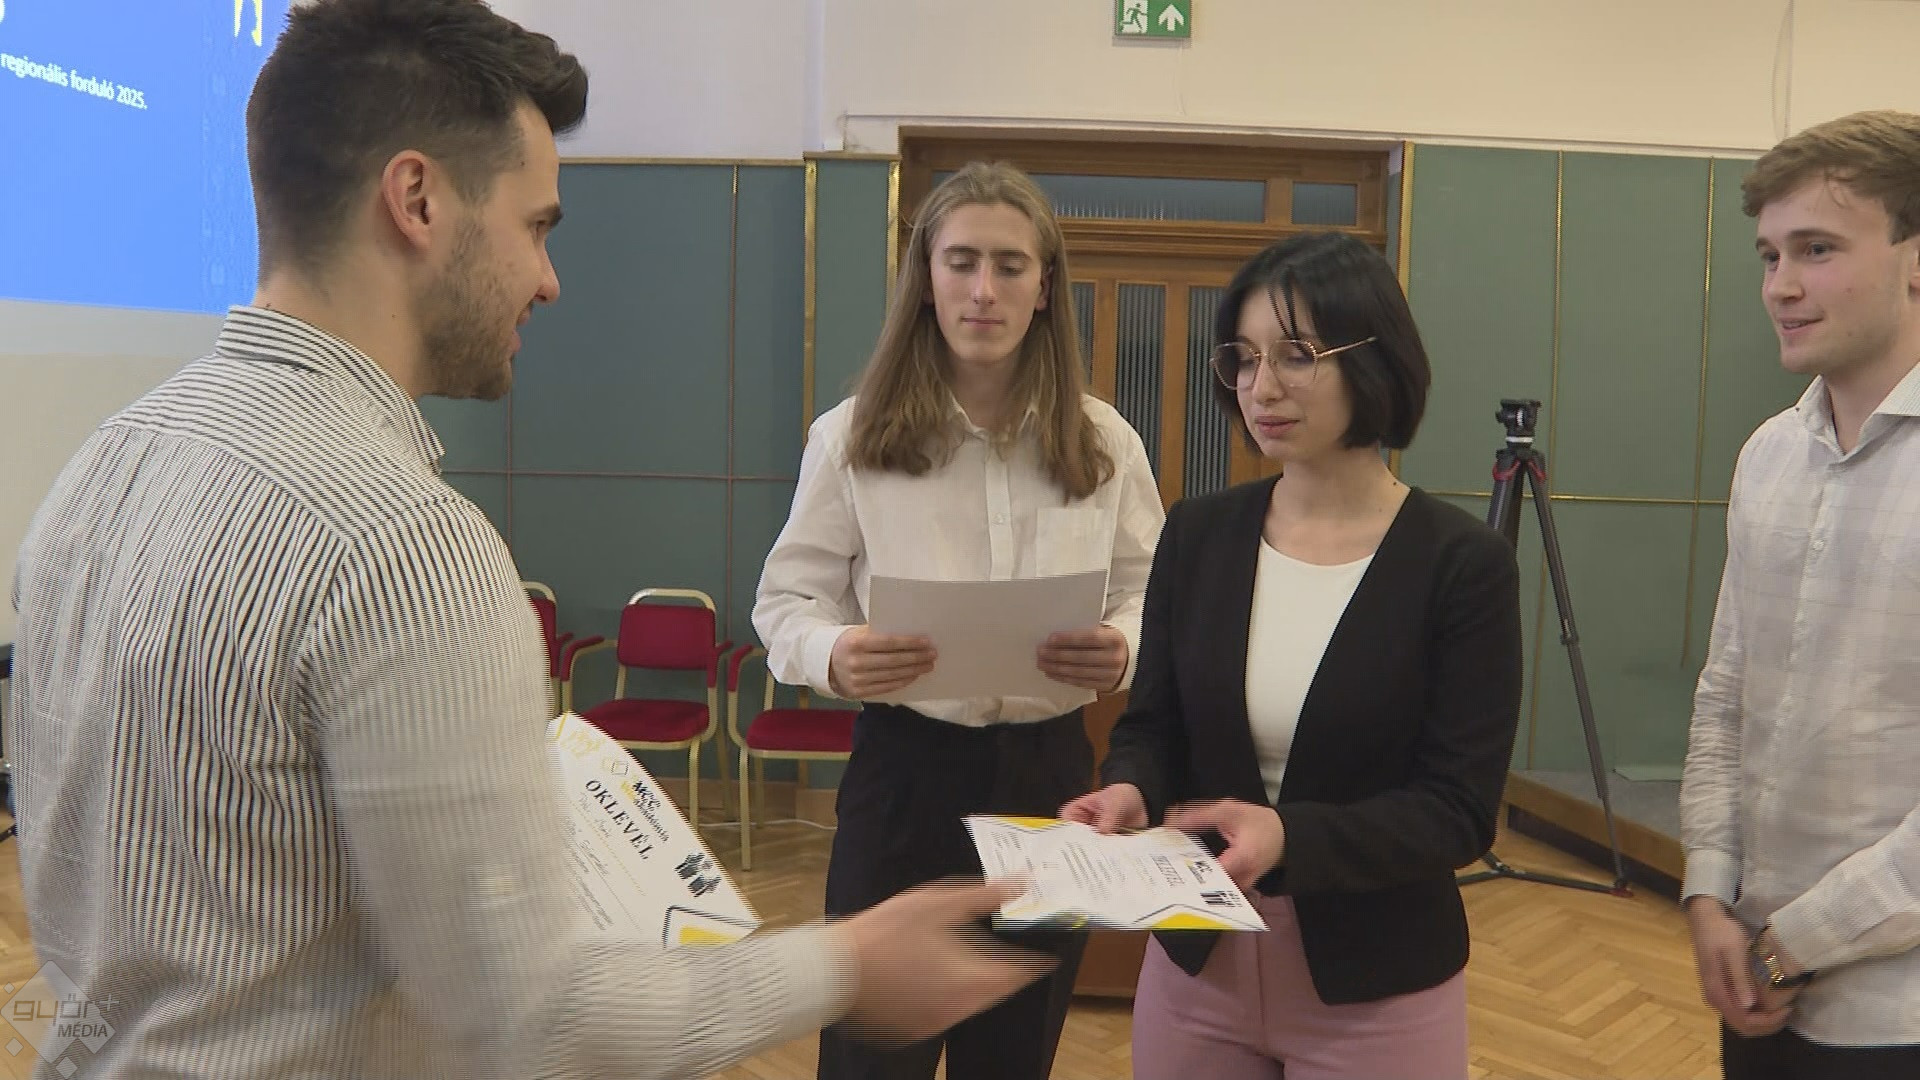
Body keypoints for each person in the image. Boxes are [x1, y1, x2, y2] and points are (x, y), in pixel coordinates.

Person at [6, 3, 1050, 1078]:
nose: (548, 279)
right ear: (417, 201)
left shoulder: (99, 467)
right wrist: (848, 965)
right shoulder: (400, 545)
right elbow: (533, 1022)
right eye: (536, 226)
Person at [1062, 232, 1524, 1080]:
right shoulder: (1199, 534)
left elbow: (1458, 809)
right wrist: (1131, 788)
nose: (1261, 386)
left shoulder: (1461, 564)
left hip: (1377, 980)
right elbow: (1153, 725)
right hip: (1197, 961)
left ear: (1375, 359)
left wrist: (1288, 837)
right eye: (1243, 358)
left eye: (1297, 354)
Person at [752, 160, 1164, 1080]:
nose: (984, 290)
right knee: (869, 1057)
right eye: (962, 261)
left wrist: (1124, 646)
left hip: (1050, 781)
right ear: (927, 277)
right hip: (904, 775)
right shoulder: (851, 436)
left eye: (1010, 266)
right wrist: (836, 654)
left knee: (1014, 1053)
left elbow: (1153, 597)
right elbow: (784, 604)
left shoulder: (1105, 442)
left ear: (1044, 287)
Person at [1680, 108, 1920, 1080]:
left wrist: (1799, 939)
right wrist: (1707, 890)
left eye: (1817, 249)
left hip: (1896, 1015)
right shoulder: (1769, 455)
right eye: (1770, 254)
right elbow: (1725, 697)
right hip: (1756, 985)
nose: (1780, 285)